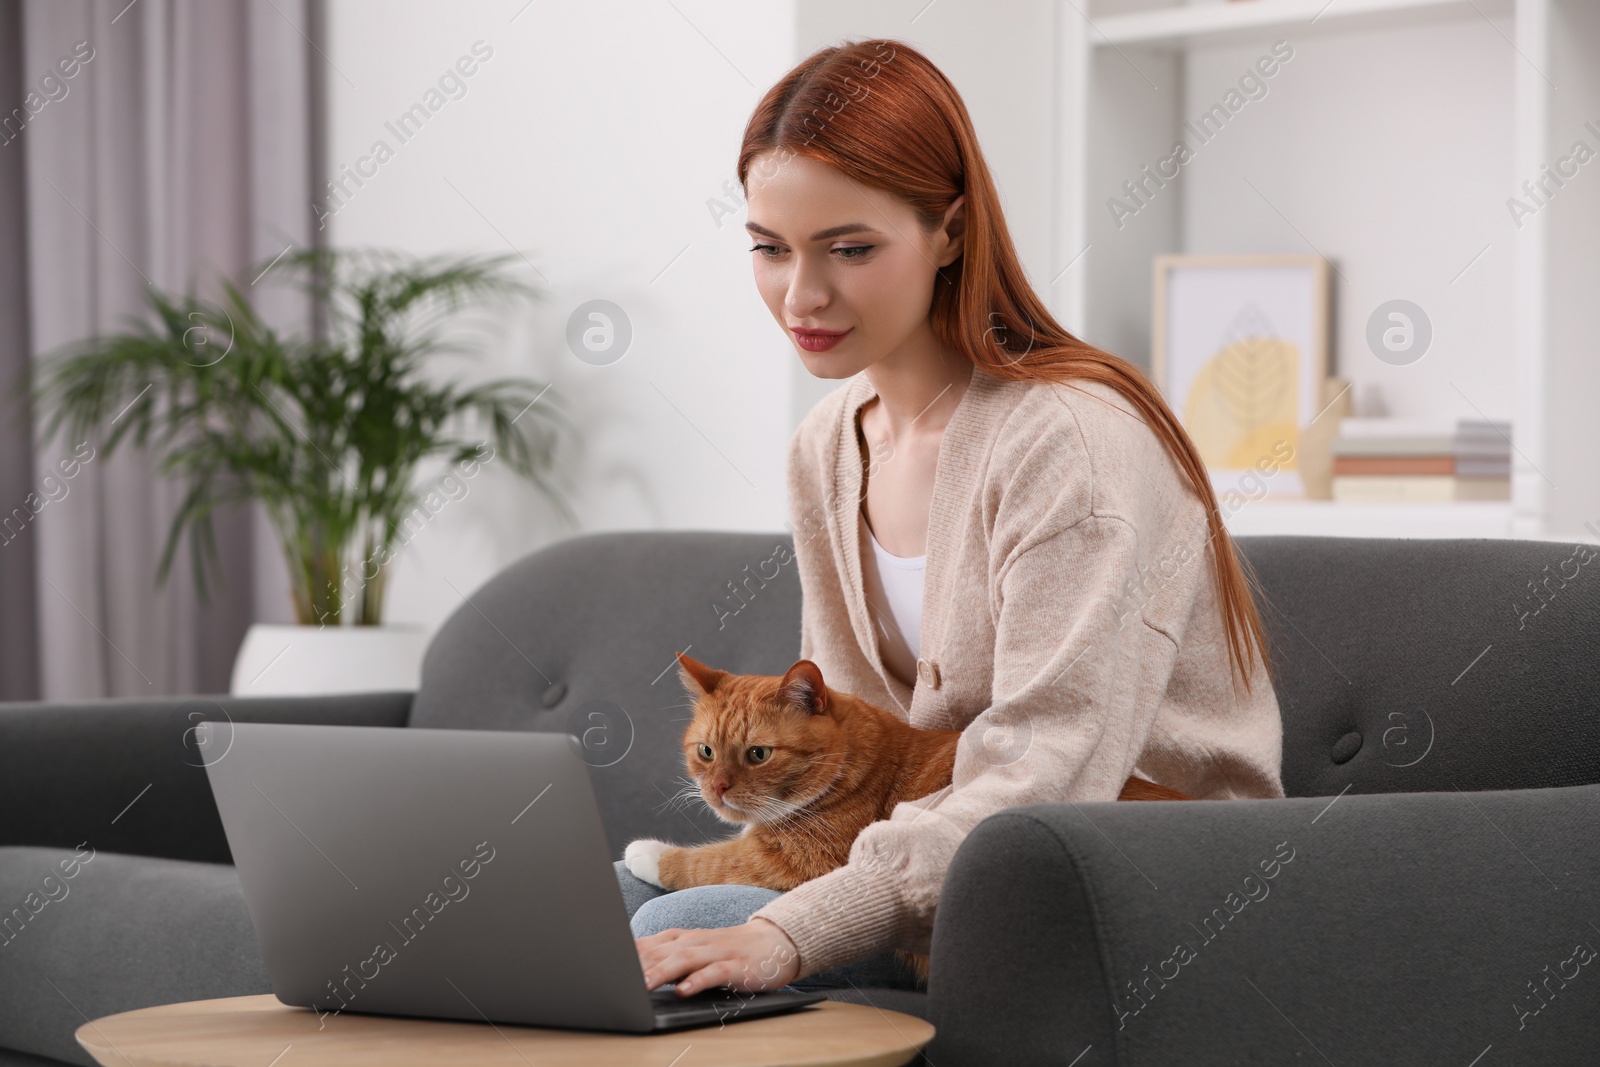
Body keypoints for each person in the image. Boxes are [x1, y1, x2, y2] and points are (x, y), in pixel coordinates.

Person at [627, 36, 1287, 1000]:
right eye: (769, 249)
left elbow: (1051, 767)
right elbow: (851, 748)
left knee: (676, 926)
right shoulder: (825, 446)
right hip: (951, 861)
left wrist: (791, 928)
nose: (801, 295)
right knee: (607, 906)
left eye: (849, 248)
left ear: (951, 230)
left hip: (1133, 862)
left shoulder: (1073, 440)